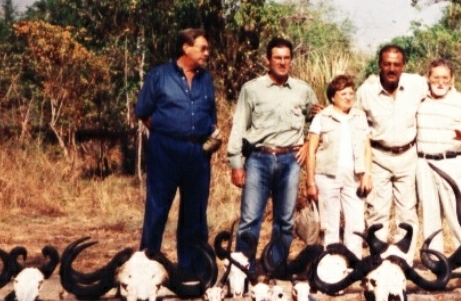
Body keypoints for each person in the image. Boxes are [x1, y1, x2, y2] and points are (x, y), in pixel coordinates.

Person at [355, 44, 461, 252]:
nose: (392, 69)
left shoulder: (415, 84)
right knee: (377, 212)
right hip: (378, 157)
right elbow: (353, 121)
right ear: (379, 65)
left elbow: (441, 83)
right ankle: (379, 260)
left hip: (408, 157)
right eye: (387, 64)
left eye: (396, 64)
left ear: (403, 66)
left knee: (408, 212)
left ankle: (404, 259)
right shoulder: (366, 92)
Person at [227, 37, 318, 275]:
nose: (282, 62)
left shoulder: (303, 90)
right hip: (259, 158)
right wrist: (236, 163)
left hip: (291, 160)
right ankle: (242, 270)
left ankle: (274, 268)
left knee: (285, 221)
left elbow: (319, 120)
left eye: (287, 58)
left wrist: (308, 143)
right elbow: (239, 126)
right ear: (268, 60)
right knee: (250, 219)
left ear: (291, 60)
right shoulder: (252, 89)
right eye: (277, 58)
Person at [134, 28, 218, 274]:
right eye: (202, 48)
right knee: (157, 210)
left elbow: (211, 115)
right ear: (185, 47)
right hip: (165, 152)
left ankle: (191, 270)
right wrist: (167, 132)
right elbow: (143, 112)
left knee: (195, 213)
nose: (207, 53)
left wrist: (210, 136)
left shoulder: (206, 79)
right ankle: (146, 267)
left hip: (198, 154)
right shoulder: (159, 75)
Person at [414, 59, 461, 252]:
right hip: (424, 164)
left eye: (445, 78)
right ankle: (434, 259)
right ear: (428, 78)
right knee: (430, 215)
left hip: (452, 163)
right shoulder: (418, 100)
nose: (440, 82)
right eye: (436, 77)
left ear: (452, 79)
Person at [305, 74, 372, 257]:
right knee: (330, 225)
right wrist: (310, 182)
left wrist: (366, 175)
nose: (348, 97)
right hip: (327, 176)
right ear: (333, 97)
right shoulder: (322, 117)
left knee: (356, 224)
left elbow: (367, 148)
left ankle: (353, 263)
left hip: (354, 177)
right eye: (343, 94)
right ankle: (331, 264)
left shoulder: (359, 116)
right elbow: (311, 151)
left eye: (351, 93)